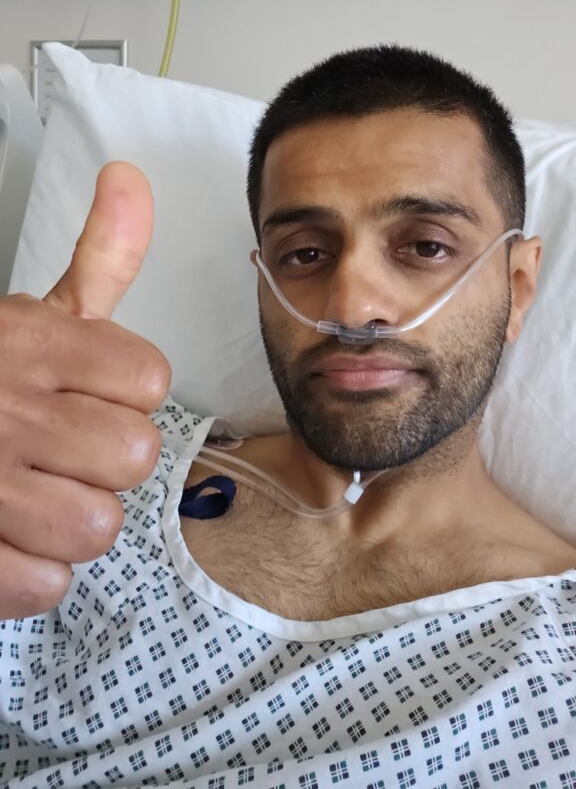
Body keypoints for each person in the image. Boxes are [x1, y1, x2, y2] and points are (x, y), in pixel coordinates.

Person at [1, 44, 575, 788]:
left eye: (426, 246)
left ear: (518, 286)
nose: (352, 307)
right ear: (264, 283)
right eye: (305, 254)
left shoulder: (553, 662)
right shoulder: (76, 452)